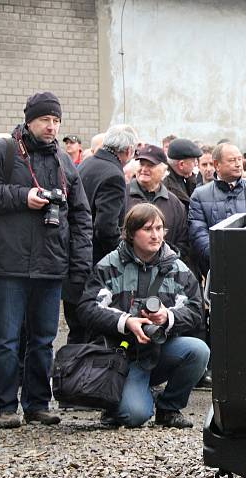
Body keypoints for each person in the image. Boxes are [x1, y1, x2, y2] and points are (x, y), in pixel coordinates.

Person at [0, 91, 93, 429]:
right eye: (45, 121)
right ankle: (4, 406)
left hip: (51, 266)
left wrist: (78, 265)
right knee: (6, 339)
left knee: (43, 340)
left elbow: (81, 215)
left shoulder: (65, 161)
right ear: (29, 120)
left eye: (56, 121)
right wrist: (24, 197)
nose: (52, 127)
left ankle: (37, 403)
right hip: (9, 264)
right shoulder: (3, 151)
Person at [78, 203, 209, 428]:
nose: (156, 235)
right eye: (148, 229)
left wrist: (167, 317)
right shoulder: (109, 265)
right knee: (134, 416)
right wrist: (126, 322)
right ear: (130, 233)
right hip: (120, 355)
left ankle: (168, 407)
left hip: (158, 351)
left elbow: (196, 310)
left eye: (159, 228)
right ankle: (119, 398)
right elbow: (87, 308)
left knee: (198, 350)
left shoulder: (177, 268)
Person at [68, 124, 138, 344]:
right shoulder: (114, 175)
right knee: (90, 333)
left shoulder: (87, 163)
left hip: (73, 259)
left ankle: (68, 375)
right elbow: (106, 228)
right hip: (95, 265)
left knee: (76, 330)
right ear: (127, 151)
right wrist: (125, 253)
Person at [188, 143, 246, 272]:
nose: (238, 164)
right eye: (232, 160)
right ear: (217, 164)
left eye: (239, 159)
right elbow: (198, 233)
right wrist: (218, 255)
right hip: (218, 267)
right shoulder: (200, 195)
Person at [126, 144, 192, 273]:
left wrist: (164, 260)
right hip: (127, 270)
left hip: (163, 273)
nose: (144, 169)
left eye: (150, 165)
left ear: (163, 170)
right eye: (141, 164)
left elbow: (183, 242)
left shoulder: (175, 203)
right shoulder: (122, 195)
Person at [165, 138, 202, 209]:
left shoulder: (182, 178)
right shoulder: (167, 188)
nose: (195, 164)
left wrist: (191, 181)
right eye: (193, 161)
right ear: (181, 164)